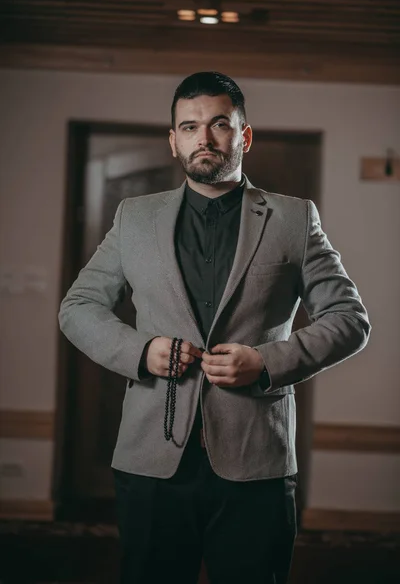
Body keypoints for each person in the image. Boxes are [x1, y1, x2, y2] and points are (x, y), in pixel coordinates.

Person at [59, 71, 371, 584]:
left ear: (243, 135)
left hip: (257, 463)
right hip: (150, 460)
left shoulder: (293, 219)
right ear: (173, 140)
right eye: (188, 126)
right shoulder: (133, 218)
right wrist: (142, 351)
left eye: (219, 123)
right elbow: (79, 307)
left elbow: (349, 319)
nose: (203, 138)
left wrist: (267, 362)